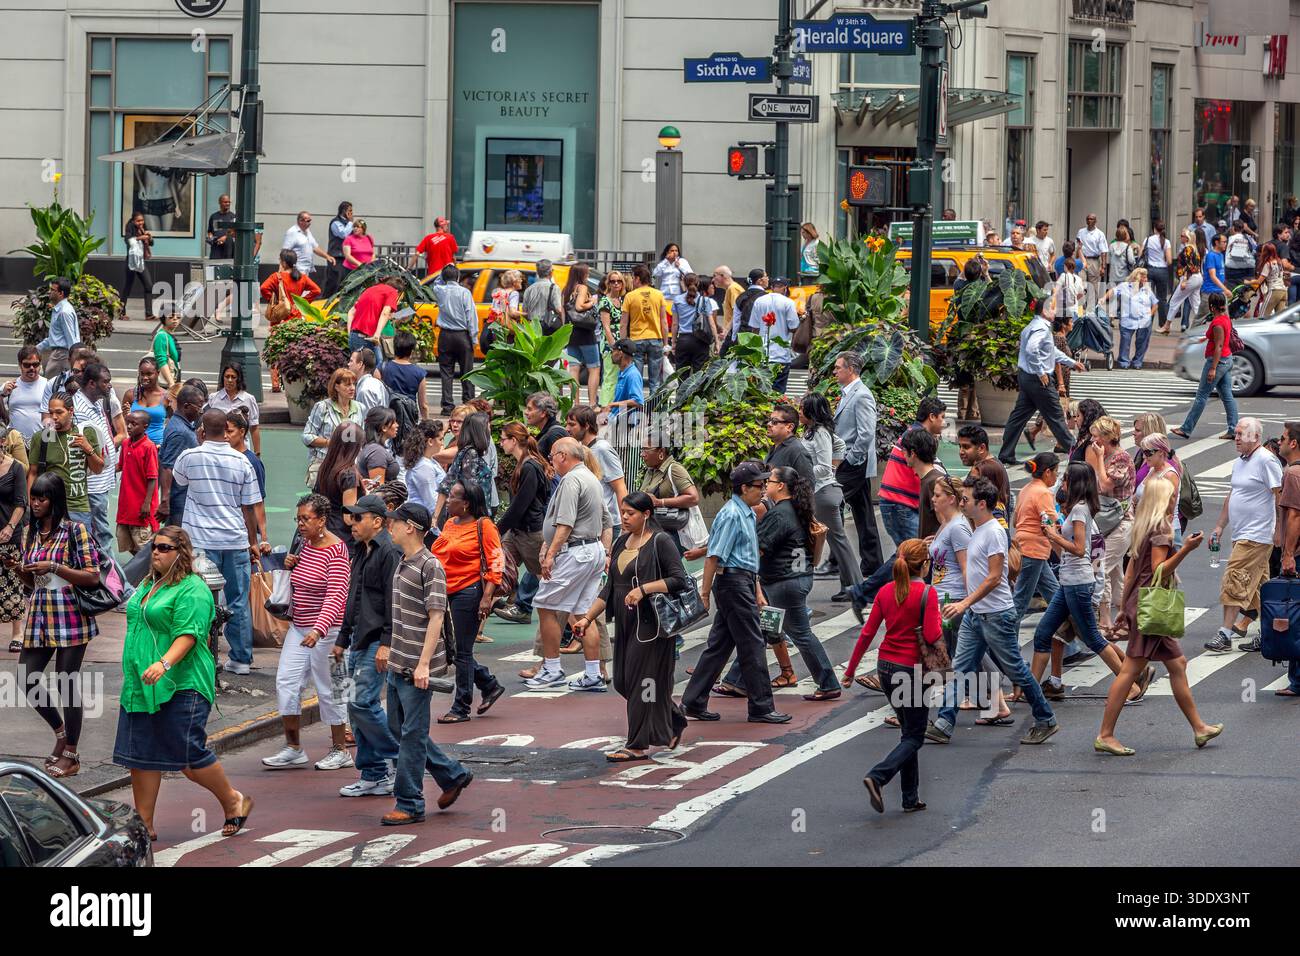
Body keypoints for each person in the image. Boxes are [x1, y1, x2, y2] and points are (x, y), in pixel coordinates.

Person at [113, 526, 253, 839]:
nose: (156, 553)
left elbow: (188, 635)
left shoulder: (193, 589)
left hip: (182, 680)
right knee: (142, 752)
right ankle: (144, 824)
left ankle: (233, 800)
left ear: (181, 553)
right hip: (142, 682)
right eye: (154, 548)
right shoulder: (150, 584)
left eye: (164, 548)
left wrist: (164, 663)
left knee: (187, 753)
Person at [929, 476, 1060, 745]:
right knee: (962, 668)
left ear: (983, 503)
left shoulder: (994, 532)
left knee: (1017, 671)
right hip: (977, 616)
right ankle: (944, 723)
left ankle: (1045, 718)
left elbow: (994, 577)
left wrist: (964, 602)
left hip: (996, 615)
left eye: (966, 500)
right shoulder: (976, 528)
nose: (961, 503)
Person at [1095, 481, 1220, 755]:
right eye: (1172, 495)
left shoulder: (1142, 525)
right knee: (1130, 670)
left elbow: (1130, 574)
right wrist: (1186, 549)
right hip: (1152, 607)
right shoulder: (1161, 528)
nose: (1175, 499)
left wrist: (1123, 609)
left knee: (1178, 664)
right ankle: (1105, 734)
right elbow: (1158, 570)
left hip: (1140, 604)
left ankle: (1199, 727)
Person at [573, 491, 690, 761]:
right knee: (624, 682)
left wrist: (644, 590)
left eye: (630, 513)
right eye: (622, 513)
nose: (624, 518)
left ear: (646, 514)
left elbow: (679, 579)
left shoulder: (661, 541)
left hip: (652, 626)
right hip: (626, 624)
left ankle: (637, 745)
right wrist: (587, 618)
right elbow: (610, 587)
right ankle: (673, 720)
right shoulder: (621, 541)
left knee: (640, 684)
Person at [381, 501, 475, 824]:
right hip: (398, 662)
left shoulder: (429, 565)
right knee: (400, 729)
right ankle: (452, 774)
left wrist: (423, 665)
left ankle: (409, 802)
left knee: (411, 734)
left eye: (394, 521)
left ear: (410, 526)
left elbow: (436, 617)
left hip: (417, 668)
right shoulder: (401, 561)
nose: (389, 526)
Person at [1029, 463, 1155, 701]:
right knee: (1046, 632)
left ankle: (1130, 686)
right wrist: (1055, 535)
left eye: (1066, 478)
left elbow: (1079, 549)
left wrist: (1055, 536)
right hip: (1070, 582)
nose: (1062, 482)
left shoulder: (1079, 510)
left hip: (1078, 583)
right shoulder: (1080, 510)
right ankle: (1037, 687)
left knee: (1093, 638)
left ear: (1075, 483)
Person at [680, 461, 791, 724]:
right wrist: (704, 594)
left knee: (719, 646)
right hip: (732, 584)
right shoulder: (732, 514)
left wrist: (757, 590)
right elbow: (714, 557)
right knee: (752, 644)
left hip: (742, 582)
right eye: (758, 485)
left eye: (765, 484)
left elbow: (748, 559)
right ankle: (761, 707)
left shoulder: (747, 512)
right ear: (744, 488)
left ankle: (693, 701)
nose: (763, 489)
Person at [718, 466, 841, 700]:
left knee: (800, 633)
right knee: (763, 628)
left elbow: (758, 549)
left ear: (781, 486)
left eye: (770, 481)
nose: (766, 486)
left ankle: (828, 683)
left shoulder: (780, 514)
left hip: (784, 582)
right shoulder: (798, 508)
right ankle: (737, 680)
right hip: (794, 578)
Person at [12, 473, 100, 778]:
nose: (35, 504)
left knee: (66, 681)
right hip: (40, 612)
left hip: (70, 613)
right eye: (33, 498)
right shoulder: (30, 533)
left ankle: (72, 754)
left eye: (42, 498)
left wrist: (54, 566)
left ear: (55, 500)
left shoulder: (75, 531)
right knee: (26, 676)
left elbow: (93, 576)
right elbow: (31, 581)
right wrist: (20, 569)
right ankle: (61, 735)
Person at [843, 539, 942, 813]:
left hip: (886, 668)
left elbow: (867, 633)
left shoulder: (886, 591)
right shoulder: (928, 594)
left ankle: (910, 797)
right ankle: (878, 776)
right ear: (924, 565)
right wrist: (943, 619)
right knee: (915, 736)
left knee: (907, 731)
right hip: (912, 671)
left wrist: (850, 671)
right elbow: (933, 636)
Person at [262, 493, 353, 770]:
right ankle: (293, 747)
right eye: (297, 519)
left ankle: (340, 750)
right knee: (286, 684)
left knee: (332, 690)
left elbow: (336, 596)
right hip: (299, 628)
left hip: (329, 632)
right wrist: (289, 563)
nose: (300, 524)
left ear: (322, 520)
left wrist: (319, 629)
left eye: (305, 519)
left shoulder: (337, 551)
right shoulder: (304, 545)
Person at [173, 409, 263, 675]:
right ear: (226, 429)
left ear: (201, 430)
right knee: (238, 601)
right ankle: (242, 659)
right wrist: (253, 540)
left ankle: (203, 653)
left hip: (200, 540)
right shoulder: (242, 461)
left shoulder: (189, 457)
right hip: (235, 539)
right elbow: (249, 507)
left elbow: (179, 481)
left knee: (201, 599)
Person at [524, 437, 612, 689]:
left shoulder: (572, 480)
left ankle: (552, 669)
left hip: (575, 551)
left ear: (563, 455)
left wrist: (550, 554)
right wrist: (605, 552)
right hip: (591, 550)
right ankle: (594, 674)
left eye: (552, 456)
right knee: (584, 612)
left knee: (545, 606)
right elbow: (606, 521)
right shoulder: (591, 479)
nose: (551, 460)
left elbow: (565, 523)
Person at [334, 494, 402, 797]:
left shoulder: (388, 552)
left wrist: (387, 643)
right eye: (352, 517)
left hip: (376, 641)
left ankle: (397, 757)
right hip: (357, 639)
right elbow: (353, 599)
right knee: (353, 704)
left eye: (358, 518)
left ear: (377, 521)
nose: (352, 523)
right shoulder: (360, 550)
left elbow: (393, 601)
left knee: (362, 703)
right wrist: (341, 638)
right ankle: (373, 773)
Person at [428, 480, 505, 721]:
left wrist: (487, 597)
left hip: (468, 593)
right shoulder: (450, 523)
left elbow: (496, 561)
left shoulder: (485, 526)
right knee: (455, 651)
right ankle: (489, 684)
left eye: (452, 497)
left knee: (462, 652)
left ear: (466, 504)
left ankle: (461, 707)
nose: (447, 500)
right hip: (445, 591)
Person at [1206, 418, 1281, 654]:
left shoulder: (1266, 460)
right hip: (1241, 534)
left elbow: (1279, 496)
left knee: (1234, 578)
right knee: (1262, 590)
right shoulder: (1241, 461)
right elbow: (1233, 494)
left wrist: (1279, 531)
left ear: (1255, 437)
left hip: (1257, 535)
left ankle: (1225, 634)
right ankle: (1269, 634)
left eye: (1240, 434)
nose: (1236, 438)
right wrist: (1219, 526)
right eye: (1236, 433)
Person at [997, 297, 1081, 466]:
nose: (1055, 312)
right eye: (1052, 308)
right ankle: (1076, 453)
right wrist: (1041, 371)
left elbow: (1050, 352)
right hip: (1037, 380)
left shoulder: (1033, 326)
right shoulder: (1041, 329)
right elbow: (1031, 350)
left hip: (1027, 377)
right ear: (1044, 311)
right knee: (1056, 415)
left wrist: (1072, 363)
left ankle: (1006, 454)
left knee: (1019, 417)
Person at [801, 392, 862, 594]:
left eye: (802, 408)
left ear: (811, 411)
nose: (799, 412)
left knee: (839, 541)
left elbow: (824, 468)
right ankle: (851, 586)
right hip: (823, 491)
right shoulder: (813, 431)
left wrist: (801, 473)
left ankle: (856, 588)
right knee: (838, 541)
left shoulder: (819, 432)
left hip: (823, 492)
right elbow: (840, 444)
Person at [493, 421, 551, 624]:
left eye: (503, 439)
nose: (500, 444)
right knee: (496, 566)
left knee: (545, 579)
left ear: (514, 440)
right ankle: (496, 601)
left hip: (529, 532)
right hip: (518, 531)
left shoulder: (529, 466)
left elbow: (520, 506)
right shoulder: (525, 464)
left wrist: (497, 529)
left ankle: (570, 628)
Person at [832, 351, 883, 577]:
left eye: (838, 367)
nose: (834, 371)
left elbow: (865, 435)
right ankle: (872, 563)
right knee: (863, 513)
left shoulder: (861, 395)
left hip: (853, 464)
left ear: (850, 369)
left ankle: (838, 561)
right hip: (852, 462)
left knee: (832, 503)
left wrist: (848, 461)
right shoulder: (848, 393)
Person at [1086, 415, 1135, 635]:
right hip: (1104, 522)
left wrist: (1097, 459)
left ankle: (1105, 622)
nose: (1092, 441)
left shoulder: (1121, 458)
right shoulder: (1105, 455)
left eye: (1095, 436)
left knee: (1101, 567)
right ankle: (1123, 620)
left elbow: (1105, 486)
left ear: (1106, 437)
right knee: (1115, 573)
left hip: (1120, 521)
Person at [28, 391, 102, 529]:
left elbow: (98, 469)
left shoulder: (84, 432)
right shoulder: (44, 436)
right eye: (51, 413)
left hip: (77, 506)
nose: (54, 417)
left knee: (81, 549)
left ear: (71, 411)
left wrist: (88, 448)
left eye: (59, 412)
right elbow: (33, 472)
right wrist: (31, 504)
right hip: (50, 507)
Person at [1170, 292, 1238, 440]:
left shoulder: (1218, 323)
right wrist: (1205, 338)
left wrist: (1213, 368)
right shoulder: (1225, 319)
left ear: (1212, 307)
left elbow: (1219, 346)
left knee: (1201, 396)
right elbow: (1220, 339)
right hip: (1227, 359)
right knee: (1227, 395)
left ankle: (1186, 428)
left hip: (1218, 361)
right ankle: (1233, 429)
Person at [1272, 422, 1300, 697]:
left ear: (1293, 443)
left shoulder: (1292, 473)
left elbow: (1294, 516)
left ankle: (1298, 681)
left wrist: (1288, 554)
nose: (1278, 442)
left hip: (1298, 554)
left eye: (1282, 439)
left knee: (1294, 616)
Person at [302, 368, 363, 489]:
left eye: (353, 384)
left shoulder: (360, 408)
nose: (352, 388)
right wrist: (331, 443)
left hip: (349, 468)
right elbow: (307, 436)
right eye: (347, 384)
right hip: (324, 466)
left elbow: (361, 438)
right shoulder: (322, 407)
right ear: (336, 387)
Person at [568, 404, 626, 528]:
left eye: (572, 424)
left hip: (607, 525)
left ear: (587, 425)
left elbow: (620, 487)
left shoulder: (602, 449)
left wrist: (625, 526)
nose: (567, 428)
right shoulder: (580, 448)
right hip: (589, 523)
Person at [431, 264, 477, 414]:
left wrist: (444, 270)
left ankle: (447, 406)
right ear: (458, 277)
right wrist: (473, 337)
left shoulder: (439, 290)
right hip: (462, 335)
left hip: (445, 335)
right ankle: (468, 403)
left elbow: (436, 282)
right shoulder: (464, 292)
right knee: (467, 372)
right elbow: (471, 316)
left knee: (446, 372)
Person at [639, 443, 699, 555]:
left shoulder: (675, 469)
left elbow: (693, 498)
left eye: (646, 450)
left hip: (673, 532)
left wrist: (659, 502)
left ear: (661, 452)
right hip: (654, 529)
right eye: (642, 450)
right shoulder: (650, 471)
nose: (642, 454)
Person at [157, 384, 202, 527]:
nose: (201, 411)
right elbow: (167, 467)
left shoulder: (182, 425)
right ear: (187, 406)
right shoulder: (180, 432)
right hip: (179, 502)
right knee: (177, 541)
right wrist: (165, 501)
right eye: (199, 407)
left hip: (183, 499)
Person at [435, 410, 493, 522]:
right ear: (480, 430)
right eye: (487, 426)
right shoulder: (471, 454)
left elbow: (447, 482)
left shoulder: (465, 451)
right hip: (472, 518)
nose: (489, 429)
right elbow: (469, 488)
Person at [115, 410, 158, 557]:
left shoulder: (148, 446)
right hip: (126, 506)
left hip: (141, 507)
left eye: (134, 424)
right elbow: (120, 466)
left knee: (144, 546)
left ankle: (149, 576)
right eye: (128, 423)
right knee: (129, 544)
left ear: (145, 426)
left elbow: (152, 477)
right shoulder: (126, 443)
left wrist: (147, 503)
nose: (129, 426)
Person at [622, 264, 670, 394]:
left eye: (633, 278)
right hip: (655, 338)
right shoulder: (658, 295)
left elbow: (624, 322)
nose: (632, 281)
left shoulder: (630, 296)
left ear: (637, 278)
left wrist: (623, 341)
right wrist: (666, 344)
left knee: (636, 379)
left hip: (636, 340)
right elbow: (664, 322)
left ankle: (637, 410)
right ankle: (655, 410)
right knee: (655, 381)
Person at [312, 421, 362, 545]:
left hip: (324, 529)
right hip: (342, 537)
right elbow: (348, 517)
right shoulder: (349, 473)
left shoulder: (326, 466)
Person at [0, 428, 25, 653]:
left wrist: (10, 526)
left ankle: (17, 632)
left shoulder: (15, 468)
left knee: (12, 582)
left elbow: (20, 502)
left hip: (8, 534)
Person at [204, 364, 261, 456]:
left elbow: (254, 428)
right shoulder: (213, 398)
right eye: (227, 376)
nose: (229, 380)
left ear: (239, 379)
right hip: (218, 450)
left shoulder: (249, 399)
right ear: (223, 378)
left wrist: (257, 453)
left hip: (241, 451)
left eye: (233, 377)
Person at [347, 276, 401, 370]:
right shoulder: (392, 292)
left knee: (365, 368)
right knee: (375, 368)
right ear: (397, 291)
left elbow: (351, 312)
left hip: (355, 336)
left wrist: (350, 333)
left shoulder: (370, 289)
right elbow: (385, 313)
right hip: (367, 337)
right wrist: (377, 335)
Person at [670, 273, 717, 374]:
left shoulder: (677, 300)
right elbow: (711, 323)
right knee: (699, 376)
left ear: (684, 284)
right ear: (698, 283)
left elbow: (675, 324)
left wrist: (673, 342)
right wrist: (717, 342)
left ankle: (682, 390)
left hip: (683, 340)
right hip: (701, 340)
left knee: (682, 375)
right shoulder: (705, 300)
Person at [4, 346, 51, 442]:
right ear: (20, 365)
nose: (31, 368)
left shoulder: (48, 385)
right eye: (27, 365)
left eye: (35, 364)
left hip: (41, 443)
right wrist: (2, 394)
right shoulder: (9, 387)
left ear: (40, 364)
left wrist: (50, 442)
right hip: (15, 444)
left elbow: (52, 417)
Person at [260, 249, 321, 324]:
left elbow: (263, 288)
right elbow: (317, 290)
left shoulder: (276, 277)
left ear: (284, 263)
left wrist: (273, 300)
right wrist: (301, 303)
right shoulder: (302, 277)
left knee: (277, 334)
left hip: (280, 315)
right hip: (296, 316)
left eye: (280, 260)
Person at [382, 330, 430, 421]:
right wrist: (426, 422)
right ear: (411, 351)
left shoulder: (382, 368)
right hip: (409, 417)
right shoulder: (419, 373)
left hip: (387, 417)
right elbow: (423, 405)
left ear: (394, 348)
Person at [763, 402, 813, 486]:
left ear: (789, 427)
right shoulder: (774, 447)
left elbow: (807, 487)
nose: (769, 424)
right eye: (769, 420)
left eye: (774, 422)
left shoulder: (797, 451)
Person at [122, 357, 168, 448]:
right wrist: (126, 415)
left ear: (158, 373)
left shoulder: (166, 397)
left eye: (149, 374)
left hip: (157, 448)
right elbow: (124, 424)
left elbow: (172, 424)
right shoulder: (131, 395)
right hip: (134, 447)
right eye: (142, 374)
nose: (145, 378)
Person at [401, 419, 447, 511]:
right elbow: (431, 501)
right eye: (440, 439)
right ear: (430, 441)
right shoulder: (423, 466)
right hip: (425, 518)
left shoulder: (429, 461)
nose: (442, 443)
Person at [1165, 229, 1204, 333]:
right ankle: (1202, 328)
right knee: (1195, 304)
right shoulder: (1194, 248)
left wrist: (1184, 280)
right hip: (1197, 277)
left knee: (1174, 301)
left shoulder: (1188, 249)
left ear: (1187, 238)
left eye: (1182, 235)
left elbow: (1189, 266)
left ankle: (1166, 326)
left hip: (1190, 278)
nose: (1180, 237)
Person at [38, 278, 79, 376]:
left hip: (61, 356)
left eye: (53, 290)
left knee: (50, 386)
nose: (49, 292)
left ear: (61, 293)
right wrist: (37, 348)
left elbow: (71, 339)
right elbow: (55, 337)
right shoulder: (59, 309)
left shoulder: (64, 312)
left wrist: (74, 361)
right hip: (59, 354)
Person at [120, 212, 155, 320]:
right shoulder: (130, 228)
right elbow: (128, 241)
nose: (141, 223)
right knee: (128, 287)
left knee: (149, 285)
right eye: (138, 221)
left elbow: (151, 243)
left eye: (142, 220)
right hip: (131, 262)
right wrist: (141, 237)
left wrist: (149, 238)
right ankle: (122, 312)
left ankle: (149, 314)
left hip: (141, 262)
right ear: (133, 221)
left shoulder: (142, 229)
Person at [1139, 219, 1173, 330]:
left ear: (1154, 228)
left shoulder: (1147, 240)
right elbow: (1169, 261)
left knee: (1149, 297)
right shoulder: (1166, 242)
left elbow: (1140, 254)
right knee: (1162, 299)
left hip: (1150, 270)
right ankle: (1162, 324)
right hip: (1162, 271)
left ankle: (1148, 323)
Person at [358, 406, 400, 493]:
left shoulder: (374, 448)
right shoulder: (376, 452)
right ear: (384, 427)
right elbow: (378, 490)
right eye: (394, 422)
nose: (397, 425)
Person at [605, 339, 644, 426]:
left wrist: (612, 404)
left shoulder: (632, 375)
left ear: (620, 353)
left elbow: (638, 401)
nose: (611, 354)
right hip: (615, 416)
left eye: (613, 351)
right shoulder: (623, 371)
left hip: (622, 420)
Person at [281, 211, 333, 277]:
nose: (310, 223)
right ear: (301, 221)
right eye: (308, 221)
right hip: (296, 270)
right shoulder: (292, 232)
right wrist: (282, 271)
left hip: (306, 270)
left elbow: (315, 247)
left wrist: (327, 256)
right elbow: (284, 252)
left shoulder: (307, 231)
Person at [1075, 213, 1108, 311]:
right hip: (1082, 259)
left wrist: (1103, 266)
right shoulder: (1081, 232)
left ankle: (1092, 309)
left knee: (1093, 286)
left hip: (1094, 260)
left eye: (1092, 219)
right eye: (1088, 219)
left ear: (1095, 221)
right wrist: (1076, 260)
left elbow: (1104, 251)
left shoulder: (1099, 234)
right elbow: (1078, 247)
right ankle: (1081, 308)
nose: (1089, 221)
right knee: (1081, 283)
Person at [521, 258, 563, 333]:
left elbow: (525, 311)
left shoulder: (529, 289)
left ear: (537, 272)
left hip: (532, 327)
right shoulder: (554, 288)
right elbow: (559, 309)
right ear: (551, 272)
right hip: (548, 327)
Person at [321, 201, 354, 297]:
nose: (352, 213)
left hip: (345, 257)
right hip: (336, 257)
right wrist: (351, 222)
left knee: (343, 282)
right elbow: (343, 234)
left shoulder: (348, 224)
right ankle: (325, 301)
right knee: (333, 282)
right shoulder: (335, 222)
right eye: (350, 211)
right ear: (344, 211)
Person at [1253, 242, 1289, 317]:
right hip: (1283, 291)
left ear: (1265, 252)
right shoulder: (1279, 261)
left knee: (1262, 316)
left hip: (1274, 291)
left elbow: (1259, 281)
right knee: (1279, 319)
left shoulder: (1268, 264)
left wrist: (1248, 282)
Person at [349, 348, 390, 413]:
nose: (348, 364)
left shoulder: (365, 391)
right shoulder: (377, 382)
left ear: (360, 364)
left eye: (351, 361)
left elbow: (369, 420)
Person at [153, 313, 182, 390]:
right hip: (164, 384)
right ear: (163, 318)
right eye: (171, 316)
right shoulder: (162, 336)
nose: (175, 319)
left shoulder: (168, 334)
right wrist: (171, 383)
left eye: (178, 317)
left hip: (171, 380)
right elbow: (161, 360)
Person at [206, 194, 236, 259]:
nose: (227, 204)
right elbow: (210, 231)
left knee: (227, 267)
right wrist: (210, 237)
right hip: (216, 249)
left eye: (229, 202)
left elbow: (235, 233)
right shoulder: (213, 216)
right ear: (219, 202)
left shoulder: (233, 217)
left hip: (229, 250)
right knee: (214, 266)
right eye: (225, 202)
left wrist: (225, 238)